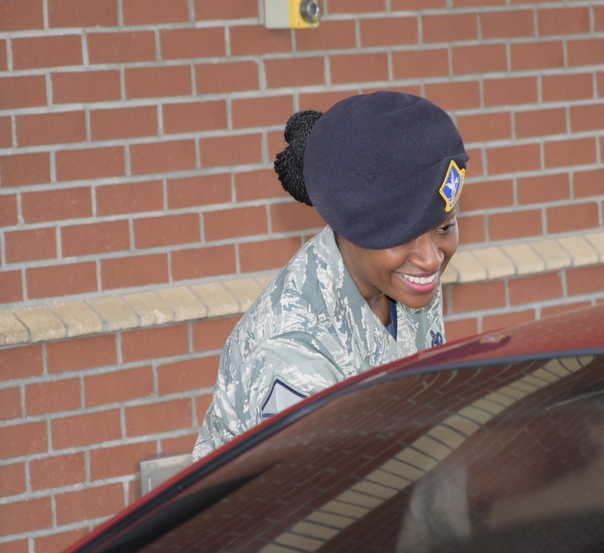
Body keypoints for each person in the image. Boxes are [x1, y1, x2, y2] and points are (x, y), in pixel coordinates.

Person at [191, 91, 468, 461]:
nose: (432, 259)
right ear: (350, 226)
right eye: (403, 237)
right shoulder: (291, 353)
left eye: (444, 227)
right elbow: (318, 505)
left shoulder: (401, 277)